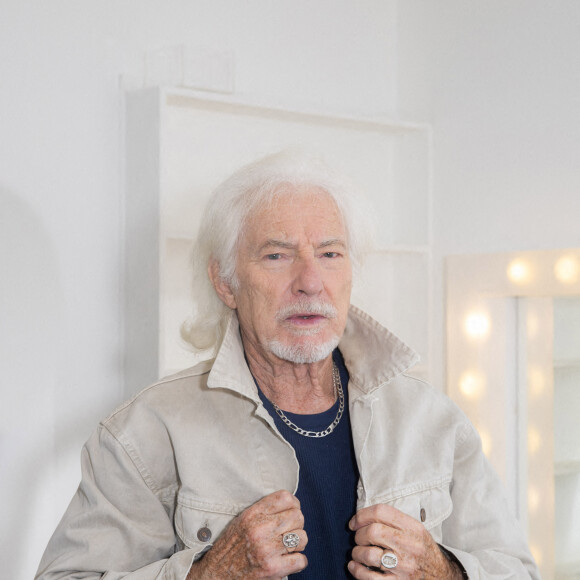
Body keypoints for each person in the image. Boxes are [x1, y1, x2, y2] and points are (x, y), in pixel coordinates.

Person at [36, 152, 539, 580]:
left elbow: (518, 569)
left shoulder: (431, 418)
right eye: (277, 256)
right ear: (226, 282)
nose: (310, 281)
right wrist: (205, 573)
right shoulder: (144, 434)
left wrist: (443, 571)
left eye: (330, 254)